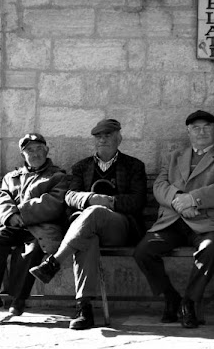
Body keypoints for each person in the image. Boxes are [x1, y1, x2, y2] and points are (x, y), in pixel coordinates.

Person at [29, 118, 147, 330]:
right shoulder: (81, 167)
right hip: (85, 230)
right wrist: (89, 198)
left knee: (95, 213)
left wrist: (110, 202)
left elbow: (137, 202)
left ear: (119, 138)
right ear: (94, 141)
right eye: (99, 137)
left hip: (120, 227)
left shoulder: (134, 166)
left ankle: (54, 263)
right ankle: (84, 309)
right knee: (87, 239)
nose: (103, 140)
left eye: (108, 136)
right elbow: (69, 196)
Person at [133, 110, 214, 329]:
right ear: (188, 132)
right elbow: (159, 185)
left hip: (208, 222)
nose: (201, 132)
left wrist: (194, 199)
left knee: (210, 250)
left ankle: (189, 302)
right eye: (196, 128)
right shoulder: (175, 156)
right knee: (143, 251)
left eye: (207, 127)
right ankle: (170, 297)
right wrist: (178, 201)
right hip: (173, 221)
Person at [0, 133, 69, 319]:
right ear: (23, 154)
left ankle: (18, 299)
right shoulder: (12, 177)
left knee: (30, 252)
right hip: (12, 226)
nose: (35, 154)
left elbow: (53, 202)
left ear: (47, 150)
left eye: (39, 149)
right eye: (29, 150)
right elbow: (1, 198)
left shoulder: (57, 176)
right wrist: (10, 216)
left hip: (40, 228)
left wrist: (22, 214)